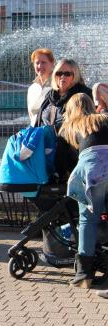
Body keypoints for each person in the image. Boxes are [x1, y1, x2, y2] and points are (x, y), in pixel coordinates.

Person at [59, 94, 108, 290]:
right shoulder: (104, 119)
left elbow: (65, 160)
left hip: (90, 172)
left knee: (88, 219)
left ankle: (84, 275)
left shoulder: (70, 128)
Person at [35, 59, 92, 180]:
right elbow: (39, 122)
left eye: (67, 74)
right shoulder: (50, 95)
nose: (62, 77)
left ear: (75, 76)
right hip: (47, 152)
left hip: (72, 155)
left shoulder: (83, 95)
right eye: (59, 73)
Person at [27, 48, 55, 125]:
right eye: (37, 63)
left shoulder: (57, 85)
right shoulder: (32, 88)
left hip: (53, 133)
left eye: (43, 62)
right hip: (36, 133)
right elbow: (31, 116)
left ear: (52, 63)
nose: (40, 66)